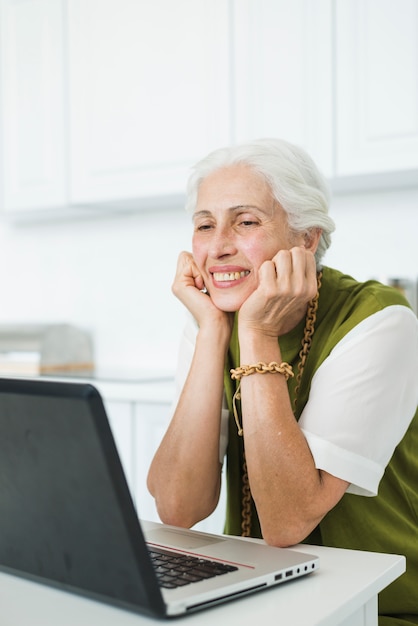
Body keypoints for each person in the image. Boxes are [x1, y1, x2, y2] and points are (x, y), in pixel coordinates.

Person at [147, 138, 418, 625]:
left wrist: (257, 332)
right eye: (205, 225)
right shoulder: (213, 317)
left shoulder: (381, 319)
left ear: (306, 238)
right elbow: (178, 507)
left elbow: (288, 520)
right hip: (258, 594)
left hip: (379, 603)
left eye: (246, 221)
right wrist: (211, 332)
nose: (219, 245)